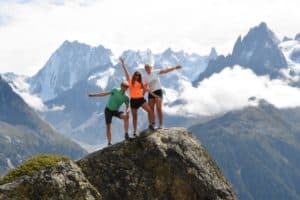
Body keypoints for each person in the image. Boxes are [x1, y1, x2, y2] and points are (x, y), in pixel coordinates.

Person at [119, 57, 155, 136]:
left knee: (150, 110)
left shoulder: (140, 83)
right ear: (134, 75)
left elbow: (145, 88)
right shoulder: (130, 80)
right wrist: (123, 64)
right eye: (136, 75)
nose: (137, 77)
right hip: (133, 101)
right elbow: (126, 72)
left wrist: (143, 94)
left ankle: (151, 125)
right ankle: (135, 132)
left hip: (141, 100)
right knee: (135, 117)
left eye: (138, 76)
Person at [88, 81, 130, 146]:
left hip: (116, 111)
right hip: (108, 110)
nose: (125, 89)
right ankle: (109, 142)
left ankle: (126, 134)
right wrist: (94, 95)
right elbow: (104, 94)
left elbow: (128, 106)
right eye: (124, 87)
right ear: (121, 86)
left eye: (126, 88)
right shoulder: (115, 90)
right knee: (108, 127)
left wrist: (127, 111)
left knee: (126, 117)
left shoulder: (126, 97)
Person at [144, 64, 182, 129]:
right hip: (151, 93)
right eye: (146, 68)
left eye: (148, 68)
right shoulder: (145, 77)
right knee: (151, 109)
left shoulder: (155, 72)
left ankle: (161, 124)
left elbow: (165, 70)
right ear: (145, 69)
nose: (147, 69)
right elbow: (145, 87)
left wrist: (175, 67)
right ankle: (152, 124)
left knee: (158, 108)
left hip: (158, 91)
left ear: (151, 68)